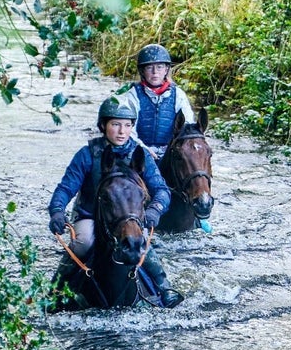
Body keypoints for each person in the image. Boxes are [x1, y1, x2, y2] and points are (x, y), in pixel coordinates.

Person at [47, 97, 185, 308]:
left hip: (130, 217)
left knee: (143, 242)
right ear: (103, 126)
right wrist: (57, 210)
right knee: (82, 243)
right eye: (116, 124)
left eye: (127, 125)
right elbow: (66, 188)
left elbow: (161, 190)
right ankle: (55, 290)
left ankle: (164, 287)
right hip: (91, 216)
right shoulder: (87, 155)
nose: (122, 131)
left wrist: (155, 210)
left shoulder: (141, 157)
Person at [115, 43, 196, 158]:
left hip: (170, 152)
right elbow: (128, 130)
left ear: (166, 69)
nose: (155, 72)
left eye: (159, 67)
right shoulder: (132, 95)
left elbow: (187, 126)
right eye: (149, 67)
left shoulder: (178, 95)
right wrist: (143, 149)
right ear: (142, 71)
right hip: (139, 151)